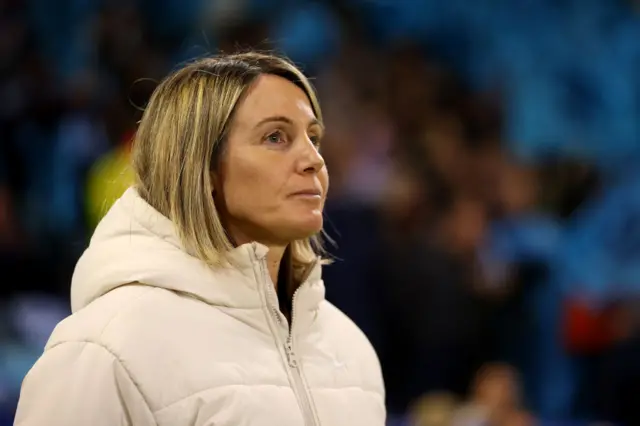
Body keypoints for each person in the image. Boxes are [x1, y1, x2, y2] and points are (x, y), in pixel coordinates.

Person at [14, 52, 386, 426]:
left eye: (314, 137)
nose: (314, 160)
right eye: (275, 137)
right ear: (200, 166)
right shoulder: (105, 350)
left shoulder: (351, 350)